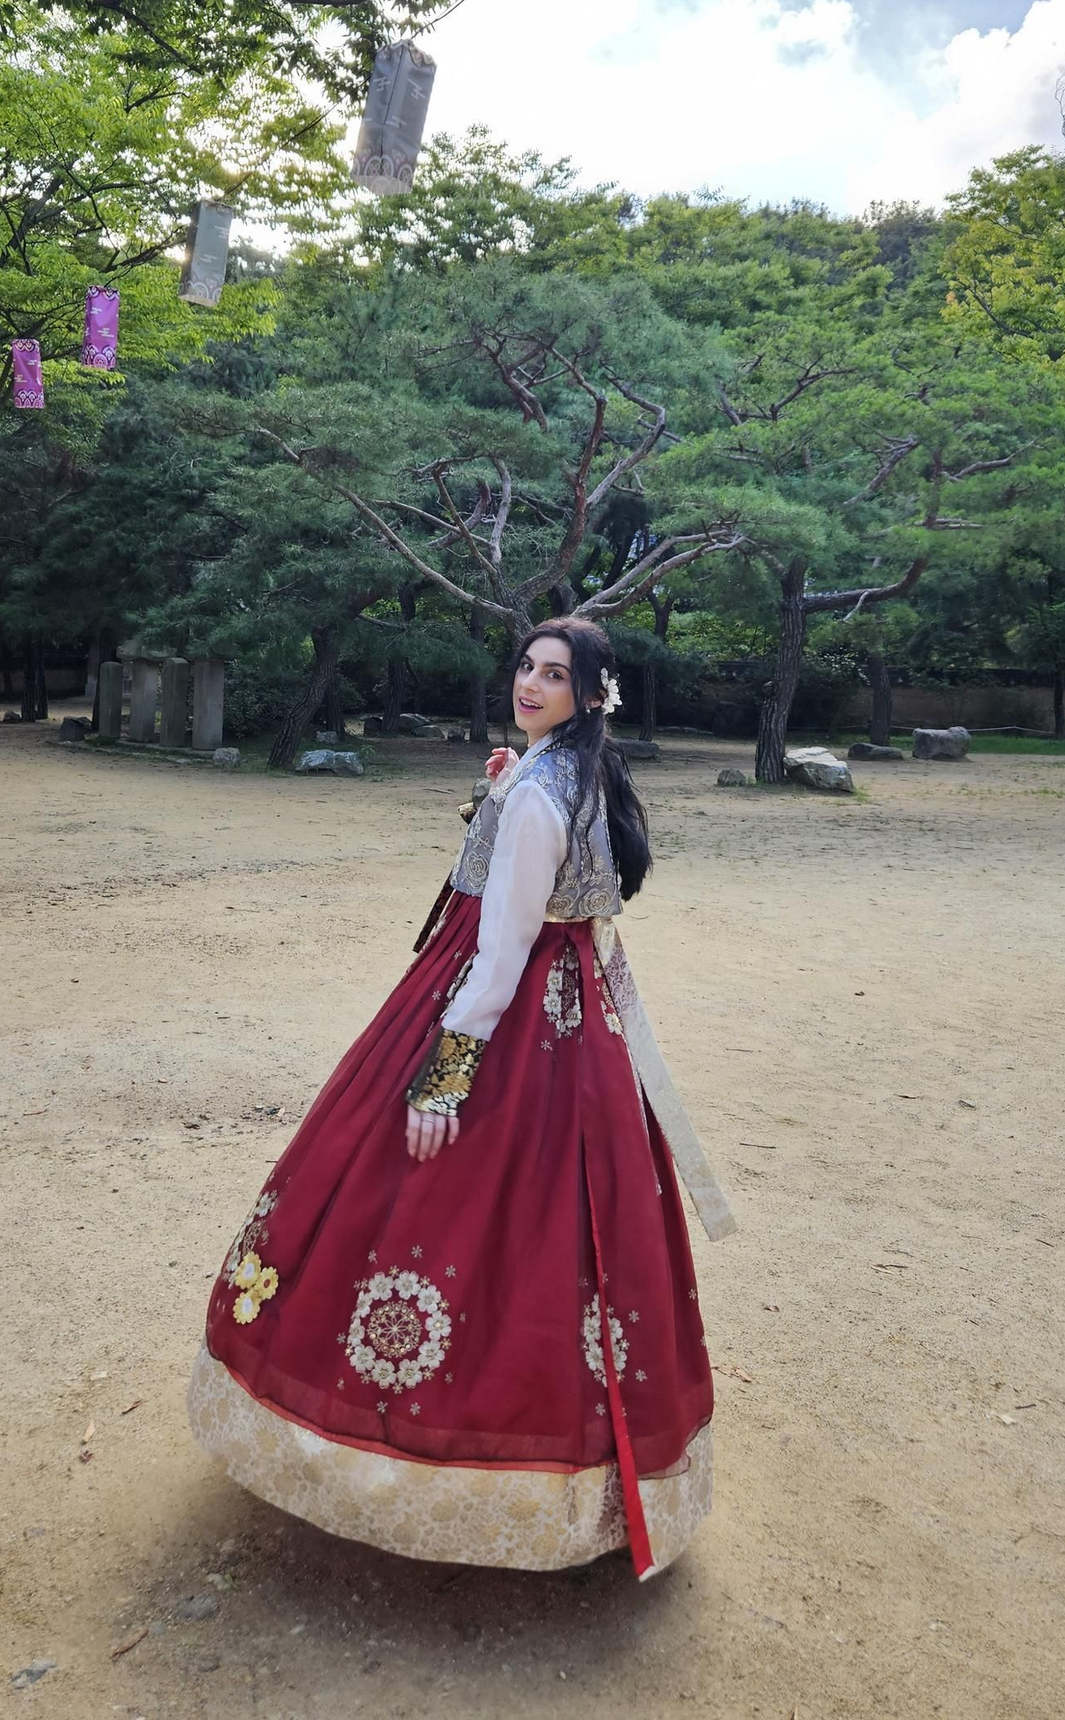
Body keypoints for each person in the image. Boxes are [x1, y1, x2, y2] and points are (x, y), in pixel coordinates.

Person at [188, 617, 735, 1581]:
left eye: (555, 675)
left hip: (511, 1014)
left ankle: (416, 1446)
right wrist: (502, 788)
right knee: (573, 1229)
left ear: (588, 693)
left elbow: (502, 949)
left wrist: (443, 1079)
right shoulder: (578, 771)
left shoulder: (543, 792)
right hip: (579, 1025)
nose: (530, 682)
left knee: (424, 1206)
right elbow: (560, 891)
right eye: (526, 665)